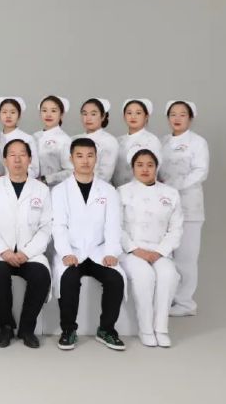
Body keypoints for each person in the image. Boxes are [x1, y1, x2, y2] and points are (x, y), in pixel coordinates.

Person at [52, 138, 126, 351]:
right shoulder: (60, 191)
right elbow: (58, 226)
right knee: (69, 278)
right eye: (80, 156)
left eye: (90, 155)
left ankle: (107, 329)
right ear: (71, 159)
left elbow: (113, 225)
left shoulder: (108, 191)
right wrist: (66, 253)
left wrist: (111, 252)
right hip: (72, 251)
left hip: (99, 250)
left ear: (96, 158)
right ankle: (68, 330)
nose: (85, 161)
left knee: (115, 279)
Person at [0, 139, 52, 348]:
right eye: (12, 155)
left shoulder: (41, 190)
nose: (17, 159)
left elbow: (46, 227)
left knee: (41, 275)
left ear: (30, 159)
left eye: (22, 154)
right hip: (0, 252)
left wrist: (26, 253)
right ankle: (5, 326)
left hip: (30, 253)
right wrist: (4, 251)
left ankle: (27, 328)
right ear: (5, 160)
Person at [119, 149, 183, 347]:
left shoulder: (171, 194)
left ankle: (161, 328)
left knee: (168, 275)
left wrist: (160, 252)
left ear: (157, 167)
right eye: (140, 165)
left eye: (150, 165)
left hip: (159, 251)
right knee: (144, 276)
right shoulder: (122, 192)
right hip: (131, 250)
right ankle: (146, 329)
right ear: (133, 168)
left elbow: (176, 229)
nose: (145, 169)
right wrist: (134, 249)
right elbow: (116, 227)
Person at [158, 100, 209, 317]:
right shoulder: (162, 141)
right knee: (166, 255)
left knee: (186, 257)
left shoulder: (198, 142)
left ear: (190, 118)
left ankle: (186, 303)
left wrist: (174, 186)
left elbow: (201, 171)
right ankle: (167, 298)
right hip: (164, 206)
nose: (177, 118)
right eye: (173, 114)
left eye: (182, 114)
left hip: (189, 206)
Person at [112, 99, 161, 187]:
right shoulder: (118, 141)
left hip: (141, 190)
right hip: (117, 189)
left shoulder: (152, 140)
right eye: (129, 113)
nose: (133, 116)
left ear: (146, 116)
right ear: (124, 116)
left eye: (138, 113)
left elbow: (154, 170)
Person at [72, 98, 118, 183]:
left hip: (99, 188)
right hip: (73, 186)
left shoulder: (109, 141)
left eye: (93, 114)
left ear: (103, 116)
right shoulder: (73, 139)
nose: (88, 118)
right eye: (85, 114)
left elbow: (105, 175)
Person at [0, 97, 40, 179]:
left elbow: (34, 169)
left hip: (22, 183)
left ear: (19, 115)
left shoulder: (27, 138)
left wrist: (15, 178)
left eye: (13, 112)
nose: (8, 116)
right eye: (4, 112)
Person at [33, 95, 73, 187]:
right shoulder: (34, 137)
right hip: (33, 188)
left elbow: (71, 171)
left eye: (53, 111)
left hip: (55, 189)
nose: (48, 115)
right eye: (44, 110)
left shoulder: (64, 139)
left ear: (61, 114)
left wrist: (46, 179)